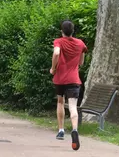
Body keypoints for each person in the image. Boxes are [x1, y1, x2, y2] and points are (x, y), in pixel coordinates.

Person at [50, 20, 87, 151]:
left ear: (62, 31)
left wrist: (53, 68)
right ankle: (75, 129)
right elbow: (81, 62)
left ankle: (61, 130)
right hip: (74, 79)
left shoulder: (58, 41)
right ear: (72, 31)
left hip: (60, 78)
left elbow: (56, 53)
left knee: (60, 102)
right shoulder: (80, 43)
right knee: (73, 106)